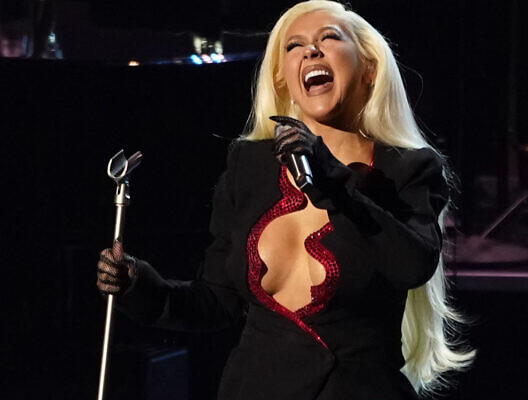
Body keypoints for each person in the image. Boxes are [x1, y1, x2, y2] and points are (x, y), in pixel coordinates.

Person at [96, 1, 474, 398]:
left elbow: (412, 264)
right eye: (294, 46)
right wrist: (139, 287)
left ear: (369, 68)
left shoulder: (407, 169)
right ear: (282, 78)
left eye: (329, 37)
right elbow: (216, 301)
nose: (311, 50)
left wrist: (332, 178)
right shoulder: (249, 165)